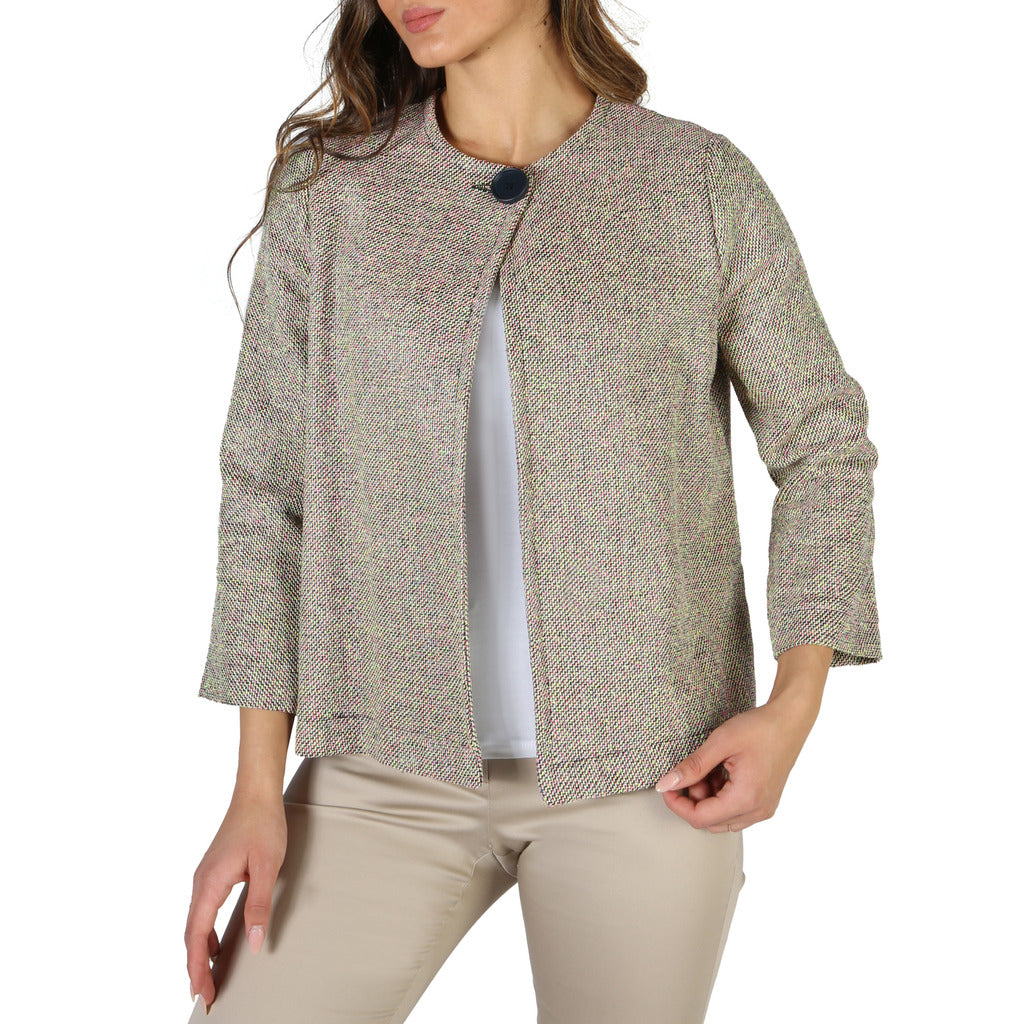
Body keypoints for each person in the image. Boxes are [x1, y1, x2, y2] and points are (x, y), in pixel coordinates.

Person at [184, 0, 883, 1020]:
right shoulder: (331, 194)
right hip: (383, 769)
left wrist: (792, 707)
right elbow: (265, 484)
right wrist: (255, 786)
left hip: (655, 774)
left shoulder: (694, 183)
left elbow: (822, 444)